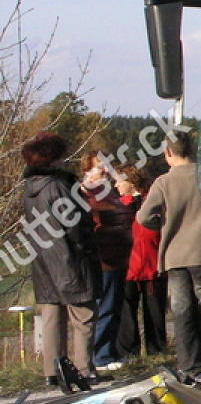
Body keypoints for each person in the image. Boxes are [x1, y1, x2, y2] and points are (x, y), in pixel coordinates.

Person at [136, 131, 201, 389]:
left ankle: (188, 366)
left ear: (167, 153)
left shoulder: (163, 183)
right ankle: (198, 366)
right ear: (193, 150)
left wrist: (164, 223)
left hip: (175, 255)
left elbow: (143, 218)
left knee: (182, 311)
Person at [19, 133, 101, 387]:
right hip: (70, 257)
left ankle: (53, 371)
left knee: (52, 315)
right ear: (54, 159)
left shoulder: (31, 189)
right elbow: (75, 224)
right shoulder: (59, 186)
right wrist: (86, 243)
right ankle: (83, 369)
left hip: (43, 258)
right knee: (83, 315)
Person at [80, 150, 132, 373]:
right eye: (98, 166)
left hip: (118, 257)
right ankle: (101, 356)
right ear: (87, 170)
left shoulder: (108, 192)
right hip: (104, 258)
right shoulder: (89, 196)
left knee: (115, 306)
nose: (104, 169)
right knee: (106, 308)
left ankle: (109, 351)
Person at [116, 166, 168, 358]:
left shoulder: (151, 202)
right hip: (129, 266)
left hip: (152, 264)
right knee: (126, 312)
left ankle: (157, 349)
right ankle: (128, 352)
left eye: (120, 180)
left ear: (131, 182)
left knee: (155, 311)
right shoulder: (119, 205)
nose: (116, 185)